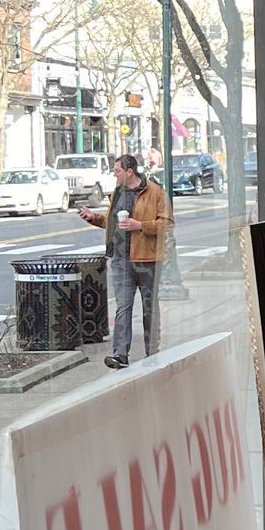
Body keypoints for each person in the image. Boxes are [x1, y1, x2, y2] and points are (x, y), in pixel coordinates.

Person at [81, 151, 172, 368]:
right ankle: (120, 354)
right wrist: (94, 218)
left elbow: (167, 224)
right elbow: (113, 223)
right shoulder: (117, 193)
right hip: (121, 259)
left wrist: (139, 225)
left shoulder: (155, 193)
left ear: (129, 172)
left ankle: (152, 352)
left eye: (117, 171)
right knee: (123, 306)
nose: (115, 175)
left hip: (148, 259)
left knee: (149, 307)